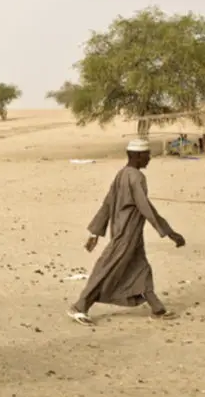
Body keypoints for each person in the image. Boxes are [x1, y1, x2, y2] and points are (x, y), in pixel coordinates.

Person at [68, 138, 186, 325]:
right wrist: (170, 232)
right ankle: (80, 306)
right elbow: (145, 207)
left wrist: (95, 233)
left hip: (129, 233)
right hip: (126, 234)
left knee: (141, 268)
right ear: (138, 156)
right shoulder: (136, 177)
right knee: (107, 269)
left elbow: (107, 203)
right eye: (147, 155)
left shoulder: (121, 174)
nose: (149, 159)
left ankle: (157, 308)